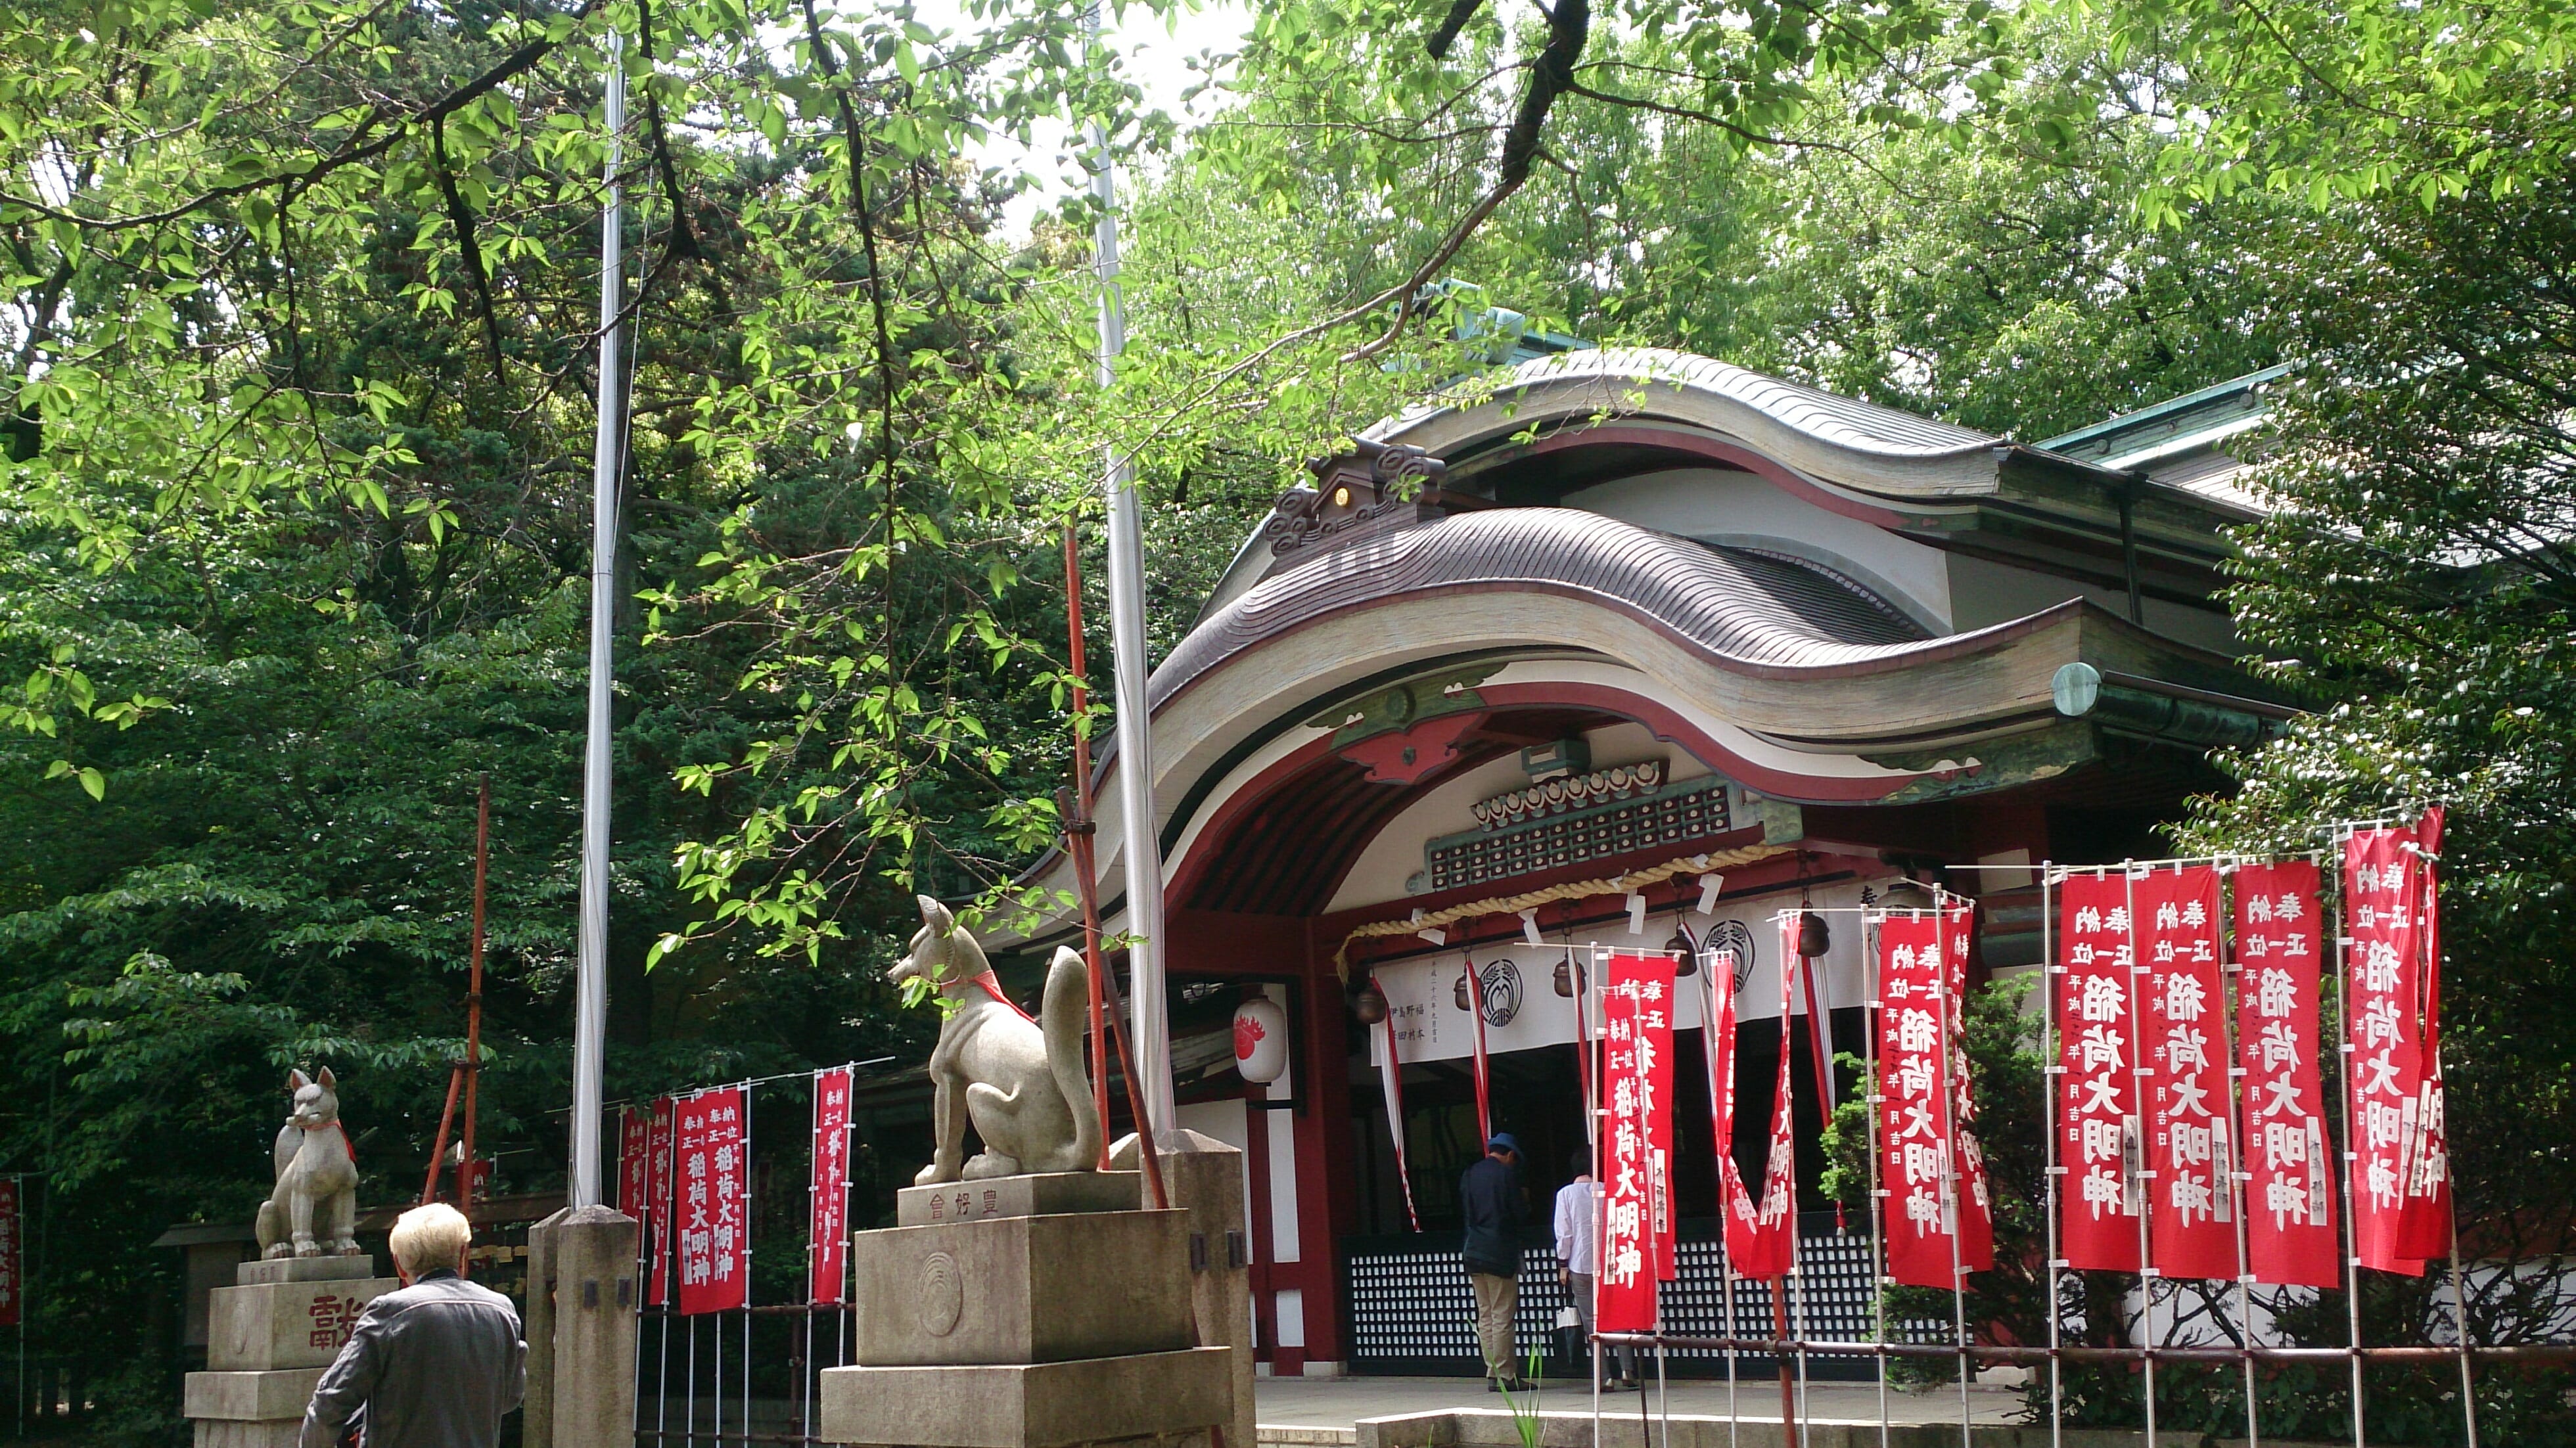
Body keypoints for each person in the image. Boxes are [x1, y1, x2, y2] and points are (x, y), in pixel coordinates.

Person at [301, 1202, 527, 1448]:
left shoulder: (391, 1312)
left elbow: (331, 1402)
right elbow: (511, 1397)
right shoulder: (501, 1310)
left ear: (399, 1265)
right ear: (463, 1254)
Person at [1553, 1147, 1638, 1390]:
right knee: (1619, 1315)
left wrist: (1563, 1264)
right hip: (1612, 1262)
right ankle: (1627, 1369)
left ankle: (1604, 1377)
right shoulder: (1609, 1190)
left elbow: (1564, 1233)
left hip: (1580, 1263)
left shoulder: (1565, 1194)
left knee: (1591, 1321)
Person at [1458, 1132, 1529, 1391]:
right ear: (1510, 1155)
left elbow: (1466, 1213)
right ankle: (1505, 1375)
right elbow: (1518, 1213)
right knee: (1501, 1314)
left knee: (1484, 1315)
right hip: (1499, 1251)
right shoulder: (1506, 1175)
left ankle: (1492, 1371)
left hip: (1473, 1250)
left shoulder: (1470, 1173)